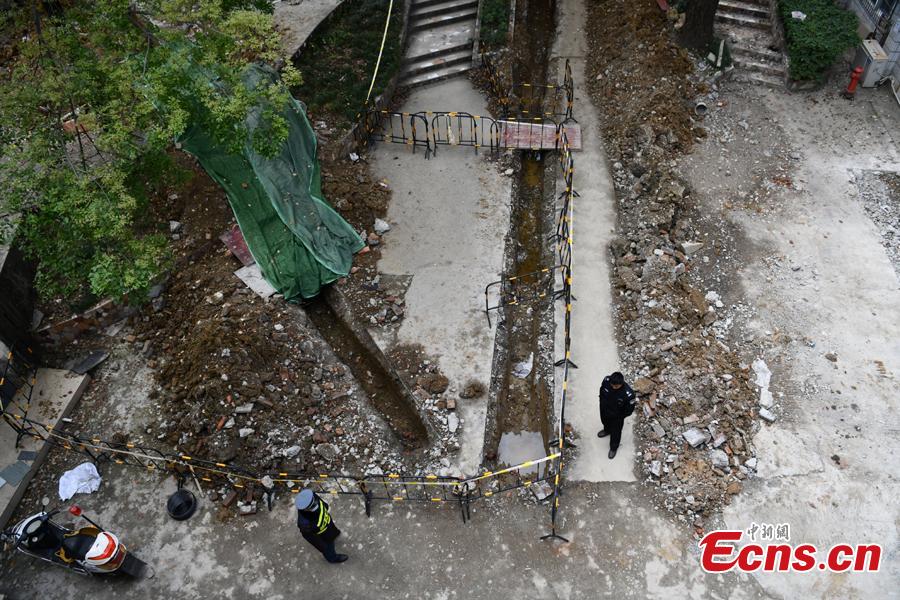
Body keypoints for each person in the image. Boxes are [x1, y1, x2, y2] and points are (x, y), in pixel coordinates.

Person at [295, 489, 348, 564]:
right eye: (312, 506)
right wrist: (323, 547)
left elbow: (323, 504)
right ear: (305, 509)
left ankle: (335, 534)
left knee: (333, 532)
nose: (316, 505)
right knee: (329, 548)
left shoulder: (312, 496)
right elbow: (312, 538)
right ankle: (332, 558)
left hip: (329, 524)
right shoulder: (304, 524)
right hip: (324, 536)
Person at [597, 371, 636, 459]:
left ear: (621, 383)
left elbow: (629, 410)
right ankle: (607, 430)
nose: (613, 387)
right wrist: (601, 401)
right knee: (604, 421)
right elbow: (602, 390)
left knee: (616, 432)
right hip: (604, 409)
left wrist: (619, 417)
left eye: (616, 386)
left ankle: (613, 448)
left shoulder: (628, 394)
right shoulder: (606, 380)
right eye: (612, 385)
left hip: (617, 416)